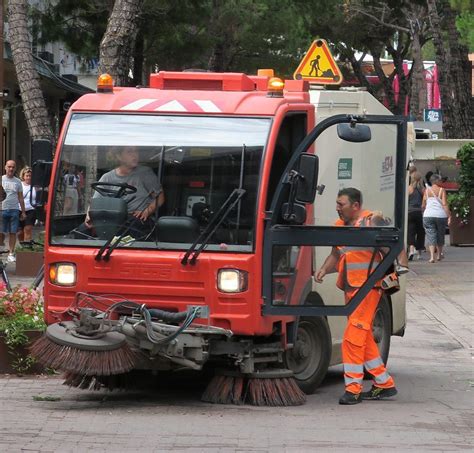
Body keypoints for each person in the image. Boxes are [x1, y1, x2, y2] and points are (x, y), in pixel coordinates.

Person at [314, 188, 397, 405]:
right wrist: (323, 269)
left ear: (356, 205)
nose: (337, 208)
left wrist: (398, 271)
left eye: (341, 204)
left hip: (368, 289)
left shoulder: (372, 221)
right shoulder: (340, 227)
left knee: (352, 337)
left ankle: (353, 389)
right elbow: (336, 254)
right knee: (364, 336)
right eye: (337, 203)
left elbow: (394, 247)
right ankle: (383, 383)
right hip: (352, 290)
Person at [84, 146, 165, 235]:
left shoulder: (145, 173)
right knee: (82, 231)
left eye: (136, 151)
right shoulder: (107, 177)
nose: (135, 155)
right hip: (112, 219)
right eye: (129, 152)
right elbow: (95, 202)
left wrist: (147, 211)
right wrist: (89, 216)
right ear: (119, 156)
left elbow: (160, 198)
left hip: (137, 219)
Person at [422, 174, 450, 263]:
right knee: (440, 234)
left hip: (428, 215)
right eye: (440, 180)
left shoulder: (426, 191)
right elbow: (444, 204)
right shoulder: (442, 190)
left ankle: (431, 257)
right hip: (440, 215)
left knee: (431, 235)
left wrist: (425, 211)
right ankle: (439, 255)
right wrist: (449, 215)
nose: (441, 182)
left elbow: (423, 204)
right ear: (437, 181)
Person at [2, 160, 26, 262]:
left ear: (15, 168)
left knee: (13, 232)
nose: (11, 169)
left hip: (14, 210)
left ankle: (11, 253)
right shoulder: (1, 179)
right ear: (5, 167)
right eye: (9, 166)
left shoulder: (18, 182)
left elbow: (20, 198)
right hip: (2, 209)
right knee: (1, 232)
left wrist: (23, 212)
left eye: (13, 167)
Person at [407, 171, 425, 260]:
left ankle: (411, 250)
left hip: (409, 212)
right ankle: (419, 253)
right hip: (419, 212)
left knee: (410, 232)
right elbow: (425, 201)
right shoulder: (422, 189)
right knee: (420, 232)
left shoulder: (409, 189)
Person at [17, 167, 37, 243]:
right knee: (19, 232)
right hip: (19, 210)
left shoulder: (35, 186)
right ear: (23, 176)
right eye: (27, 175)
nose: (29, 177)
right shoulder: (19, 185)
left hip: (31, 210)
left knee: (27, 229)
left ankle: (27, 247)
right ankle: (22, 247)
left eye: (30, 176)